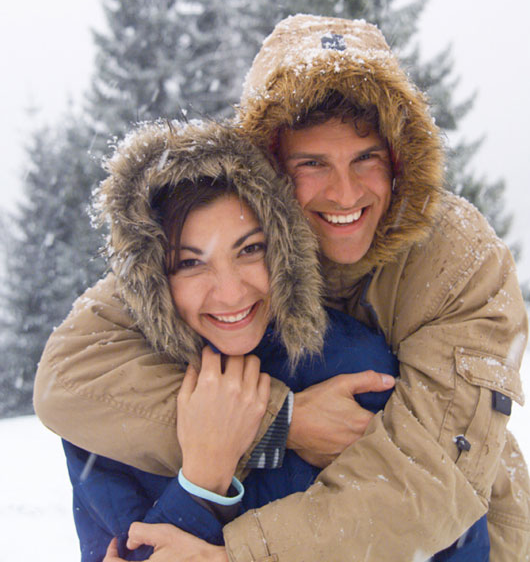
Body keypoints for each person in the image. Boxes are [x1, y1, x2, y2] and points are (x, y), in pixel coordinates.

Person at [34, 15, 530, 560]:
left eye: (365, 159)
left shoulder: (455, 259)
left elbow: (434, 480)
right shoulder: (221, 246)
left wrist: (240, 555)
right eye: (312, 163)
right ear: (268, 172)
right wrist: (277, 422)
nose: (345, 193)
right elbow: (71, 376)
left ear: (398, 164)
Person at [58, 118, 485, 562]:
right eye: (189, 263)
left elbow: (449, 536)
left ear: (283, 247)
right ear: (153, 278)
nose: (230, 292)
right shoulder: (109, 402)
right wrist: (205, 477)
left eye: (249, 250)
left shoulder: (349, 365)